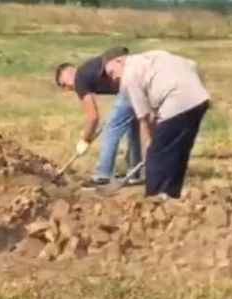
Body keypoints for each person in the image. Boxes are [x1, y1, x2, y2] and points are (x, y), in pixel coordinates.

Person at [101, 49, 210, 199]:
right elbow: (192, 64)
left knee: (156, 155)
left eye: (112, 72)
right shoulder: (153, 56)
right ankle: (171, 195)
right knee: (178, 153)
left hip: (176, 101)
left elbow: (144, 119)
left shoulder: (129, 76)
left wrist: (148, 152)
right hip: (199, 100)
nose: (114, 78)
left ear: (119, 61)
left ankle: (154, 199)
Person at [54, 47, 142, 189]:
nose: (68, 89)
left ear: (69, 73)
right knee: (133, 127)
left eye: (65, 84)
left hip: (130, 83)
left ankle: (102, 175)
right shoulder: (88, 71)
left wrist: (84, 140)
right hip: (139, 80)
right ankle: (135, 173)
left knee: (111, 128)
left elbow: (93, 117)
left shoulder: (80, 78)